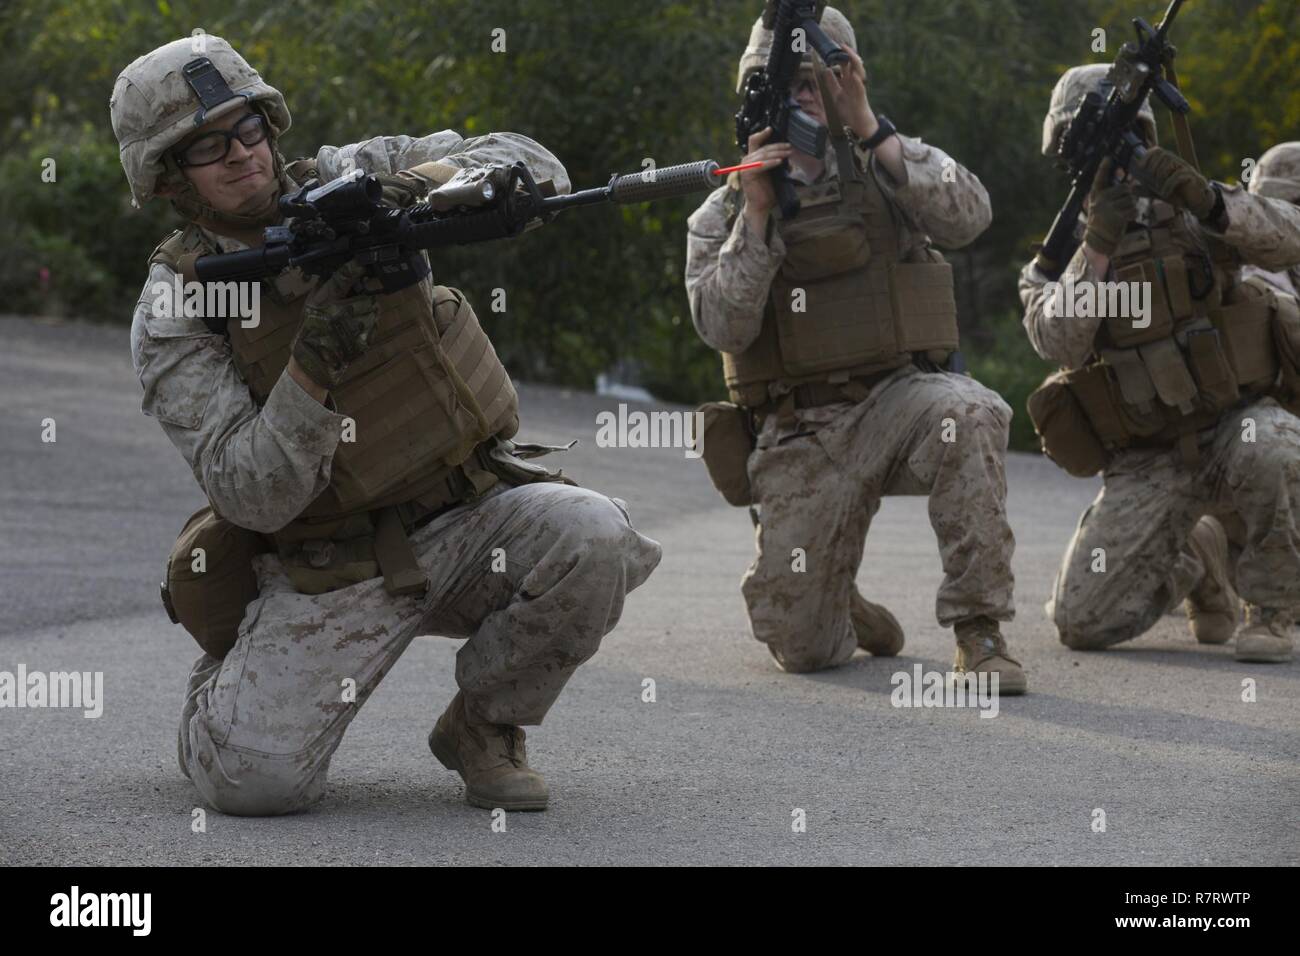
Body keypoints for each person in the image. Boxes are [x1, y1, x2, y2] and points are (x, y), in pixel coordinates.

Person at [111, 35, 662, 815]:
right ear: (167, 179)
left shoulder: (354, 174)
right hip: (328, 561)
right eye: (206, 146)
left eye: (248, 130)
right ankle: (231, 686)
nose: (240, 155)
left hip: (469, 516)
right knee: (253, 785)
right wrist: (315, 364)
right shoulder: (179, 305)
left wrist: (419, 187)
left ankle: (483, 726)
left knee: (595, 536)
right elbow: (250, 493)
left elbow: (533, 161)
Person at [684, 6, 1025, 693]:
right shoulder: (723, 212)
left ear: (847, 82)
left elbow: (971, 215)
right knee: (803, 649)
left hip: (899, 401)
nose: (800, 99)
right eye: (783, 87)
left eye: (815, 83)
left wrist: (871, 129)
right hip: (800, 429)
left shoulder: (887, 163)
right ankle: (836, 599)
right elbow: (724, 328)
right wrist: (757, 213)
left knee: (972, 410)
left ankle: (979, 629)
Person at [1019, 65, 1300, 663]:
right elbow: (1059, 342)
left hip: (1232, 427)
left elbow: (1289, 237)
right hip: (1147, 459)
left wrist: (1210, 201)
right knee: (1081, 621)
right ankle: (1198, 558)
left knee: (1276, 445)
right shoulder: (1059, 253)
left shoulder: (1197, 211)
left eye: (1129, 144)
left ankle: (1273, 612)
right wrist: (1096, 245)